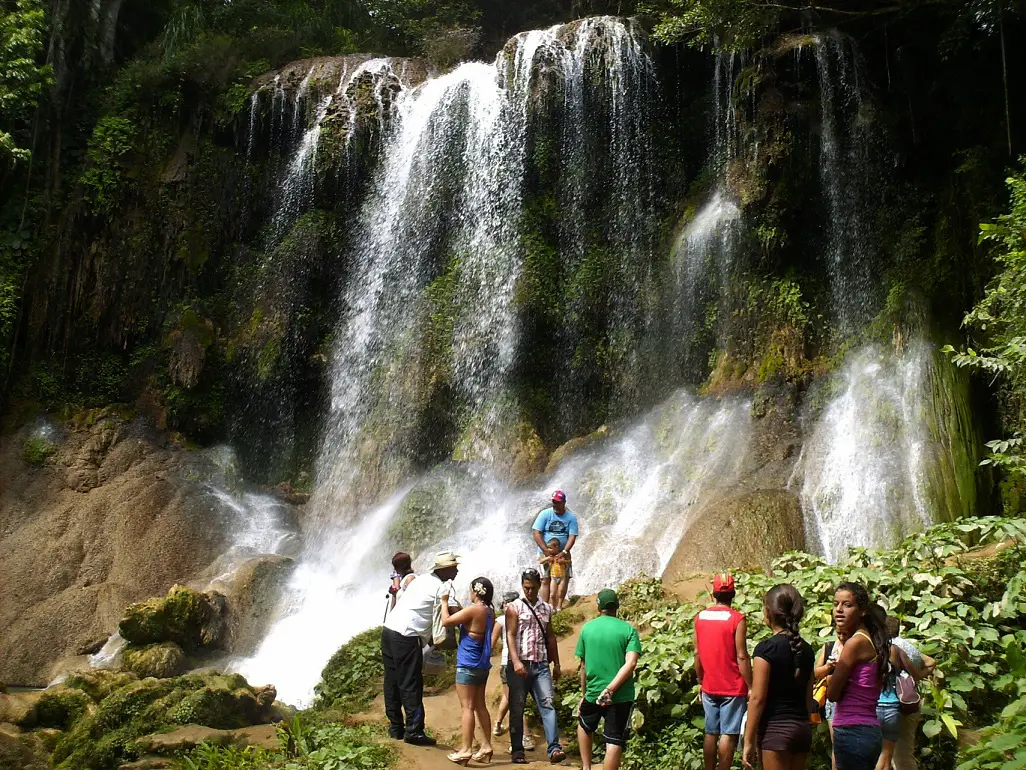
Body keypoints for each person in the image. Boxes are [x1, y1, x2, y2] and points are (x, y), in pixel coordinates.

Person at [381, 551, 460, 745]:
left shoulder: (422, 579)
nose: (457, 569)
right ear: (446, 569)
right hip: (407, 635)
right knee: (411, 683)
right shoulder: (442, 587)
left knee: (392, 681)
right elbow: (455, 613)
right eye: (454, 566)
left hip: (389, 630)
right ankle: (414, 731)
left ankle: (396, 728)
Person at [742, 584, 816, 770]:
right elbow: (808, 698)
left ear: (768, 613)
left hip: (775, 731)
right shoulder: (806, 650)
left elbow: (757, 698)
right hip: (801, 730)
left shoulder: (766, 649)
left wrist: (748, 741)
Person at [575, 589, 642, 770]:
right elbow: (631, 662)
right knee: (614, 741)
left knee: (584, 725)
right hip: (620, 696)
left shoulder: (587, 629)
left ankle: (586, 767)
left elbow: (583, 666)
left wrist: (584, 694)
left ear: (598, 607)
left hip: (594, 690)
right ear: (617, 607)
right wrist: (611, 689)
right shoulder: (628, 630)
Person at [827, 583, 889, 770]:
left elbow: (832, 694)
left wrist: (832, 676)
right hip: (866, 729)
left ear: (862, 611)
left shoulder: (855, 643)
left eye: (847, 605)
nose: (838, 610)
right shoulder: (867, 638)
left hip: (852, 730)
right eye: (835, 604)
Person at [506, 568, 565, 765]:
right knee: (517, 707)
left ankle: (554, 748)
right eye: (526, 588)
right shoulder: (514, 607)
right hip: (520, 664)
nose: (529, 592)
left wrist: (556, 663)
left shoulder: (547, 608)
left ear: (539, 585)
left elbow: (550, 637)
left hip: (540, 665)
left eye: (532, 588)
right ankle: (517, 750)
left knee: (548, 704)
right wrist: (515, 661)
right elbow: (510, 635)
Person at [695, 572, 752, 770]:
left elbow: (696, 653)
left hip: (709, 685)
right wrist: (751, 685)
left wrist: (700, 681)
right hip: (733, 687)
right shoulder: (737, 619)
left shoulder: (700, 617)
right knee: (729, 733)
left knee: (711, 732)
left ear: (714, 593)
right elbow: (742, 655)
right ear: (733, 594)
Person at [441, 577, 496, 765]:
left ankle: (466, 749)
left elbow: (446, 621)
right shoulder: (490, 611)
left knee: (467, 707)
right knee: (480, 705)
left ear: (476, 591)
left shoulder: (474, 609)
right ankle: (486, 746)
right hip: (482, 665)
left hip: (467, 665)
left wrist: (444, 601)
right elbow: (469, 621)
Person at [876, 616, 936, 770]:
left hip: (891, 704)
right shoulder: (909, 646)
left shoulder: (888, 647)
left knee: (887, 755)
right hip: (910, 702)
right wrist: (913, 680)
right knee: (904, 751)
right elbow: (931, 662)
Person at [491, 591, 533, 749]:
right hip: (521, 662)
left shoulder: (501, 620)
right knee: (514, 699)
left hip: (508, 663)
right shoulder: (526, 617)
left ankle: (498, 724)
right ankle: (524, 736)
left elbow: (491, 643)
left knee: (511, 697)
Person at [532, 490, 578, 605]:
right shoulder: (545, 514)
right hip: (544, 552)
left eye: (558, 502)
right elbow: (536, 532)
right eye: (553, 502)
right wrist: (546, 551)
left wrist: (564, 551)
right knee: (545, 580)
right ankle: (544, 606)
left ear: (564, 502)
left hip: (563, 553)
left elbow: (572, 536)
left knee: (564, 578)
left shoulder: (571, 517)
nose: (555, 504)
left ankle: (559, 606)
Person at [814, 621, 849, 770]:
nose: (841, 637)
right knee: (838, 745)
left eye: (845, 634)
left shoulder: (857, 647)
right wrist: (829, 667)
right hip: (833, 702)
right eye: (838, 633)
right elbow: (815, 673)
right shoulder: (829, 647)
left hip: (851, 699)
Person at [540, 538, 570, 609]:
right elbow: (541, 561)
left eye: (550, 548)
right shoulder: (550, 557)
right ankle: (553, 607)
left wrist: (563, 561)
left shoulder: (562, 556)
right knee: (552, 594)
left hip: (562, 577)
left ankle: (559, 606)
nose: (548, 550)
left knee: (560, 592)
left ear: (556, 547)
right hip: (553, 578)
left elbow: (569, 562)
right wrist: (547, 559)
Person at [385, 551, 416, 618]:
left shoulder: (410, 578)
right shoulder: (402, 579)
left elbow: (406, 600)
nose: (395, 569)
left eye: (396, 566)